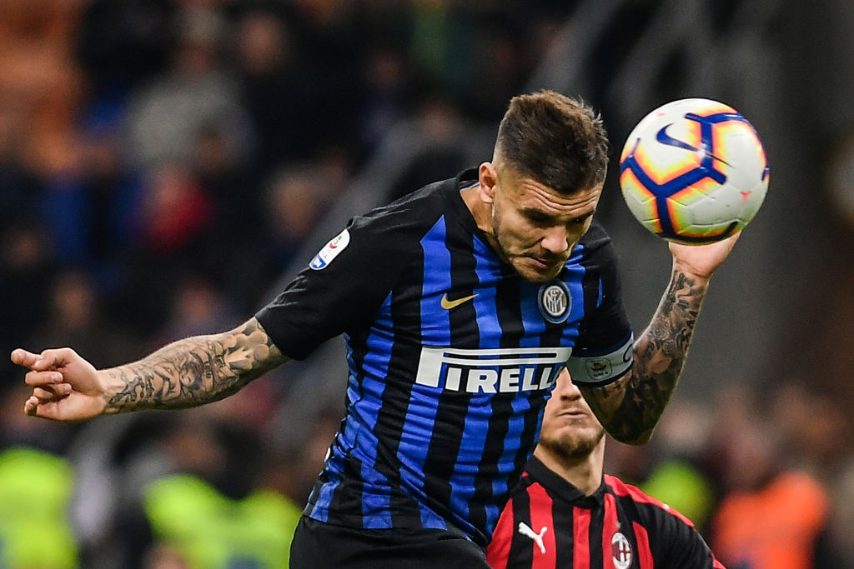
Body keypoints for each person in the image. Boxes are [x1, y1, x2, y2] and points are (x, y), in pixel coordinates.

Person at [13, 90, 739, 569]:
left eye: (576, 222)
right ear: (490, 182)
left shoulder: (587, 264)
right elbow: (240, 351)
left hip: (453, 543)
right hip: (363, 537)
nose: (557, 244)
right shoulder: (397, 243)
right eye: (538, 218)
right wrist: (110, 386)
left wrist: (690, 278)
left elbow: (631, 416)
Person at [486, 369, 725, 568]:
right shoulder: (487, 512)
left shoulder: (656, 530)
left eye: (589, 370)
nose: (572, 391)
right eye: (553, 374)